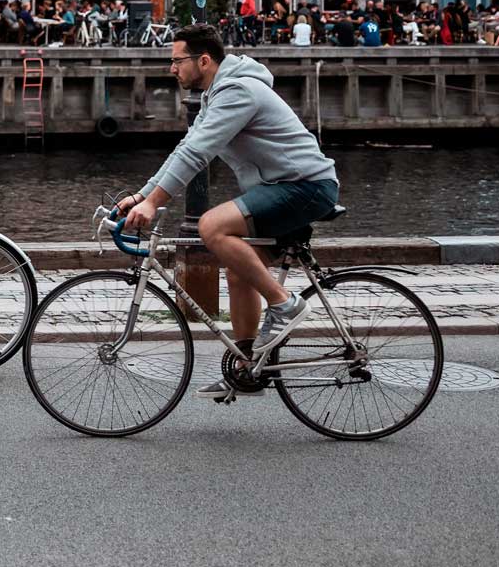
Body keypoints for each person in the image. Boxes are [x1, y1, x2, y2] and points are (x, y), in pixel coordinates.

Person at [117, 26, 340, 400]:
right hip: (281, 187)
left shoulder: (237, 92)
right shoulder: (216, 95)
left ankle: (286, 305)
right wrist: (142, 194)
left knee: (212, 226)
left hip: (306, 186)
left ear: (203, 60)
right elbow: (184, 148)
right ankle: (248, 367)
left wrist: (154, 203)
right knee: (239, 271)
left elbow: (196, 155)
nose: (171, 68)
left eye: (177, 60)